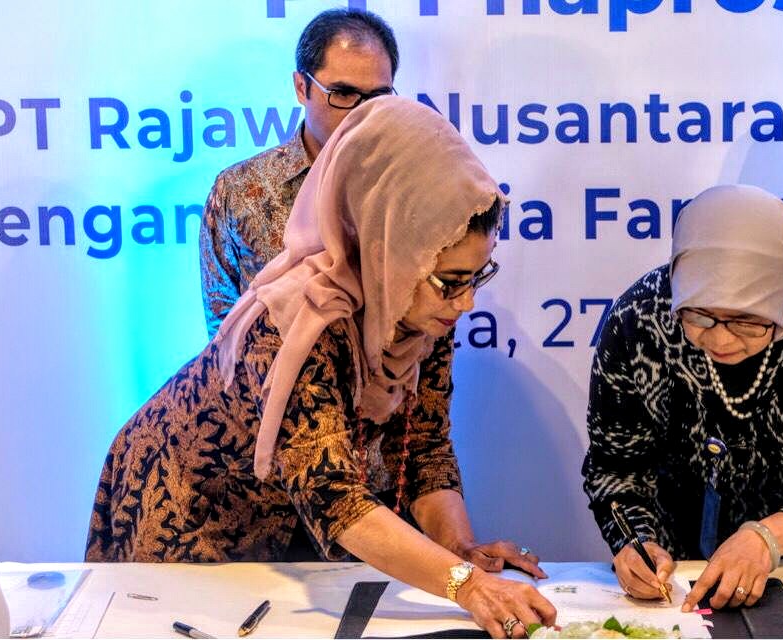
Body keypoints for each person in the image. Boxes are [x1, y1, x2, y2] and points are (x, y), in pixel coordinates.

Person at [87, 97, 555, 639]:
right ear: (390, 250)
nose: (466, 302)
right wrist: (466, 586)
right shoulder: (296, 322)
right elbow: (335, 498)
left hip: (290, 512)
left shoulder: (417, 306)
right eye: (451, 281)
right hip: (195, 507)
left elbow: (424, 446)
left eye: (477, 275)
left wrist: (460, 551)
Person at [582, 185, 783, 611]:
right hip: (678, 578)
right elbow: (615, 466)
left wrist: (768, 538)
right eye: (699, 316)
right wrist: (635, 543)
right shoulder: (639, 317)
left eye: (748, 321)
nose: (720, 340)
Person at [200, 7, 398, 336]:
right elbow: (224, 334)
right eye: (343, 94)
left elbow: (433, 326)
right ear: (301, 87)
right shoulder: (238, 190)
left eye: (378, 96)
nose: (362, 113)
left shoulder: (408, 186)